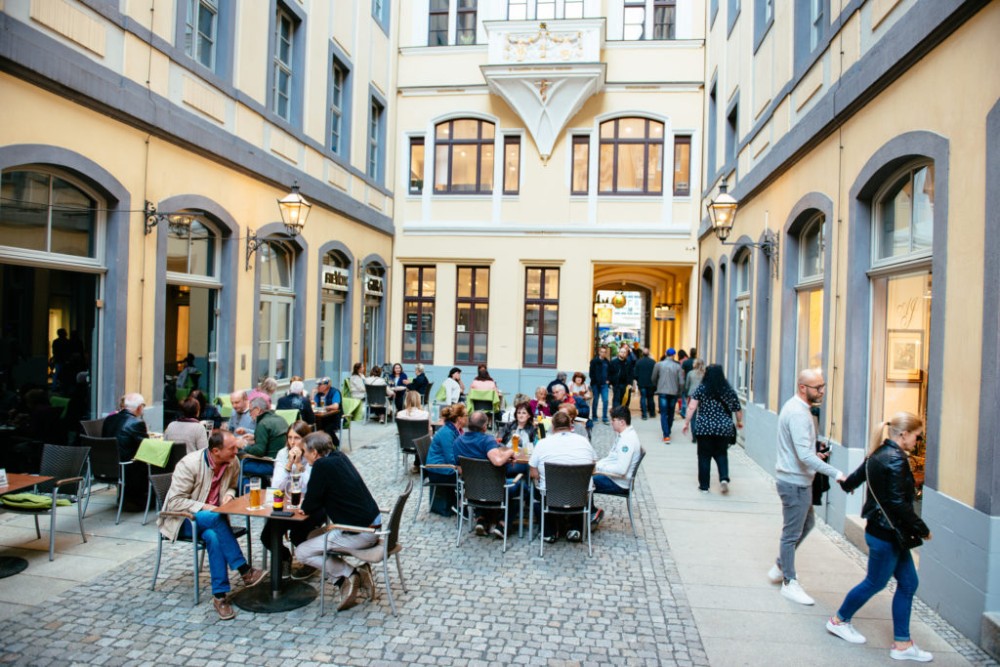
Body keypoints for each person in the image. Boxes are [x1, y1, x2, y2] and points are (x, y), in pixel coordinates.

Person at [826, 412, 933, 661]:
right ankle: (839, 620)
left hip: (887, 533)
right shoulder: (895, 459)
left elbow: (852, 480)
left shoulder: (877, 453)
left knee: (908, 584)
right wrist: (922, 529)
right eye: (917, 437)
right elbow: (898, 503)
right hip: (887, 535)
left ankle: (903, 644)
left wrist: (844, 482)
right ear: (904, 434)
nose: (917, 442)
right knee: (875, 582)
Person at [157, 430, 266, 620]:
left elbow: (232, 485)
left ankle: (219, 596)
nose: (236, 450)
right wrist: (205, 507)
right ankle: (244, 570)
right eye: (231, 448)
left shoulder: (233, 462)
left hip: (212, 523)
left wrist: (230, 494)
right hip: (182, 520)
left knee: (214, 538)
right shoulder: (189, 464)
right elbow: (174, 502)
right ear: (216, 451)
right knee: (216, 518)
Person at [769, 368, 846, 605]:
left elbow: (802, 450)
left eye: (823, 386)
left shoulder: (798, 408)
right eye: (817, 387)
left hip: (797, 479)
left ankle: (781, 565)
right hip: (794, 482)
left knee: (808, 523)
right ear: (803, 388)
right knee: (791, 533)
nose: (822, 391)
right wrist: (837, 474)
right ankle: (789, 581)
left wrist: (815, 454)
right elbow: (803, 455)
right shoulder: (799, 413)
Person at [295, 431, 381, 611]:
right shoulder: (339, 456)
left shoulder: (321, 466)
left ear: (315, 453)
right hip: (372, 524)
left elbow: (310, 504)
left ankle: (350, 574)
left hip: (358, 532)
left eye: (305, 452)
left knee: (302, 552)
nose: (304, 456)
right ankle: (354, 574)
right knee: (316, 537)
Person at [260, 420, 321, 579]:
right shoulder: (282, 453)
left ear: (305, 439)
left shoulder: (313, 454)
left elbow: (311, 488)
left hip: (309, 506)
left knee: (298, 535)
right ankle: (285, 556)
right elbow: (276, 487)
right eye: (290, 437)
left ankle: (311, 563)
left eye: (297, 438)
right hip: (287, 505)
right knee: (267, 536)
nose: (292, 442)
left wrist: (300, 465)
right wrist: (288, 464)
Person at [529, 410, 597, 543]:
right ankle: (576, 528)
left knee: (536, 491)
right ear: (571, 426)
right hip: (579, 496)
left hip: (551, 495)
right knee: (578, 486)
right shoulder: (584, 441)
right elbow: (593, 469)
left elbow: (533, 473)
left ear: (552, 427)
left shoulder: (542, 443)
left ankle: (549, 531)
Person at [454, 410, 518, 538]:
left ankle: (481, 519)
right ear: (485, 426)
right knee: (521, 486)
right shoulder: (487, 440)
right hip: (495, 489)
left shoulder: (458, 441)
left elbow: (459, 468)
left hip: (472, 489)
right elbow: (498, 461)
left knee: (482, 485)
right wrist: (510, 452)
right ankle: (502, 524)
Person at [681, 364, 742, 494]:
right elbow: (737, 408)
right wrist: (739, 422)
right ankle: (724, 478)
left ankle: (704, 487)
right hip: (723, 428)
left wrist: (686, 422)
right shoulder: (728, 390)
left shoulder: (701, 389)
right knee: (721, 454)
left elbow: (692, 407)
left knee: (704, 456)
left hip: (704, 428)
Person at [590, 405, 644, 526]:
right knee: (586, 478)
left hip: (619, 483)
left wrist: (598, 468)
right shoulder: (624, 435)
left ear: (622, 422)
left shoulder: (627, 440)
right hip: (615, 478)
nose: (611, 423)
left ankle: (591, 513)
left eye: (613, 420)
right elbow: (612, 458)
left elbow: (621, 470)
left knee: (584, 482)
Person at [102, 392, 150, 511]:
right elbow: (146, 447)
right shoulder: (137, 423)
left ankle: (127, 498)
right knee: (153, 461)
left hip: (106, 467)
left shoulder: (109, 419)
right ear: (139, 407)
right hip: (127, 468)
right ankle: (142, 500)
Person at [425, 403, 467, 516]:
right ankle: (460, 506)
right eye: (465, 416)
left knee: (471, 474)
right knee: (470, 477)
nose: (467, 418)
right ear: (459, 419)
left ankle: (463, 505)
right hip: (439, 471)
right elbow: (451, 459)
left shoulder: (455, 431)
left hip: (445, 467)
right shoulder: (447, 433)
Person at [240, 397, 287, 483]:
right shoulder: (280, 419)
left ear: (257, 410)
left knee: (240, 464)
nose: (250, 414)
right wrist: (255, 438)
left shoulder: (263, 424)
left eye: (250, 411)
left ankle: (244, 493)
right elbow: (273, 440)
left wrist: (244, 446)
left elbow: (259, 451)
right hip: (284, 462)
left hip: (271, 464)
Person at [651, 348, 683, 444]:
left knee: (664, 413)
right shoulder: (678, 367)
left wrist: (657, 385)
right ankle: (668, 430)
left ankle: (666, 435)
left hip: (663, 391)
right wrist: (680, 392)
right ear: (674, 355)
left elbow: (653, 377)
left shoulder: (659, 364)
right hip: (673, 392)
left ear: (665, 354)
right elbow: (681, 382)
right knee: (671, 412)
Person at [589, 345, 611, 424]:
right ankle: (594, 416)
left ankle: (604, 417)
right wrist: (595, 382)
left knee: (605, 400)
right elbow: (591, 374)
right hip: (595, 384)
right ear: (599, 352)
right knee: (595, 400)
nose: (603, 353)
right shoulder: (594, 361)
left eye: (604, 352)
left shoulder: (607, 362)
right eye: (602, 352)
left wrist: (608, 380)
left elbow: (610, 372)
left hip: (604, 385)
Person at [608, 345, 634, 410]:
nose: (623, 353)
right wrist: (610, 383)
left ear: (626, 353)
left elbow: (631, 374)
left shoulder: (628, 363)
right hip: (616, 384)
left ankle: (623, 413)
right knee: (616, 399)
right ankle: (616, 413)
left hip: (625, 385)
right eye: (621, 352)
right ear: (619, 353)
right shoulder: (613, 362)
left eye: (624, 352)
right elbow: (609, 373)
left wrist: (630, 383)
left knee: (625, 399)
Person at [634, 348, 656, 421]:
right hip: (650, 383)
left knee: (643, 397)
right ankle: (652, 413)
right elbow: (655, 374)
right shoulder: (653, 362)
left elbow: (635, 374)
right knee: (650, 398)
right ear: (649, 353)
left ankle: (644, 414)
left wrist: (638, 380)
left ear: (642, 354)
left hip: (642, 383)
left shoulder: (638, 362)